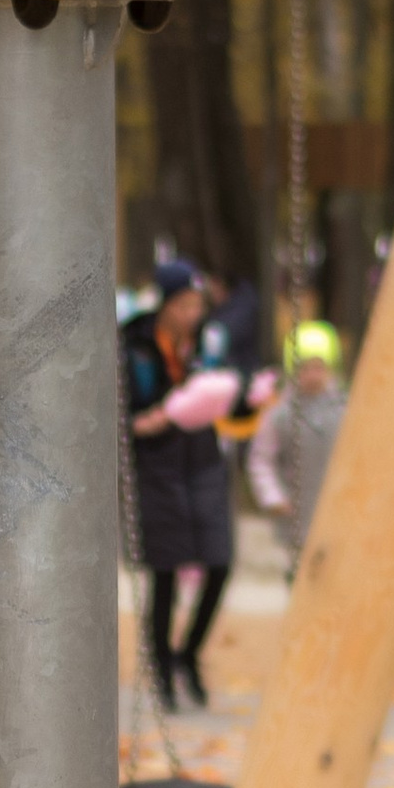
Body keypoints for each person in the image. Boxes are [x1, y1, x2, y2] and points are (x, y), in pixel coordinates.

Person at [123, 261, 233, 707]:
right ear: (164, 304)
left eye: (198, 305)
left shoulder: (209, 343)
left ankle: (189, 653)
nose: (192, 314)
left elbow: (230, 393)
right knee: (163, 570)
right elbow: (118, 405)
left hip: (203, 461)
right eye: (184, 305)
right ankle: (161, 668)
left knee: (219, 561)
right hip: (157, 465)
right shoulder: (134, 345)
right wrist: (136, 424)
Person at [248, 319, 345, 559]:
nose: (313, 375)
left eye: (319, 367)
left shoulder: (345, 409)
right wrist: (273, 497)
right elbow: (262, 459)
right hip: (296, 510)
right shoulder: (280, 414)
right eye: (305, 368)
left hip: (339, 509)